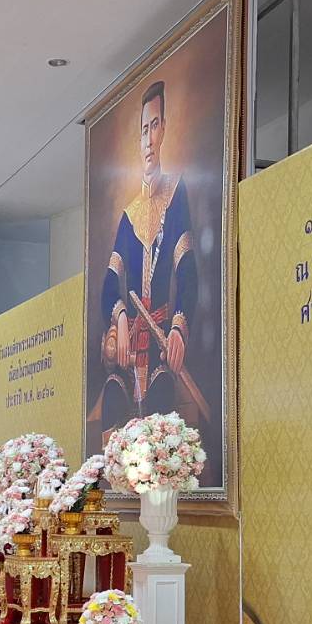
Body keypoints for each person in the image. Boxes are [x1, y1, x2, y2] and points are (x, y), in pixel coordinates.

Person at [95, 79, 204, 435]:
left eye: (155, 126)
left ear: (164, 130)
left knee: (161, 401)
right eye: (144, 130)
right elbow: (110, 284)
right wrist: (120, 316)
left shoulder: (175, 194)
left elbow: (187, 272)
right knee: (113, 399)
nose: (149, 139)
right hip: (130, 344)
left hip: (159, 343)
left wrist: (178, 328)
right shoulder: (129, 215)